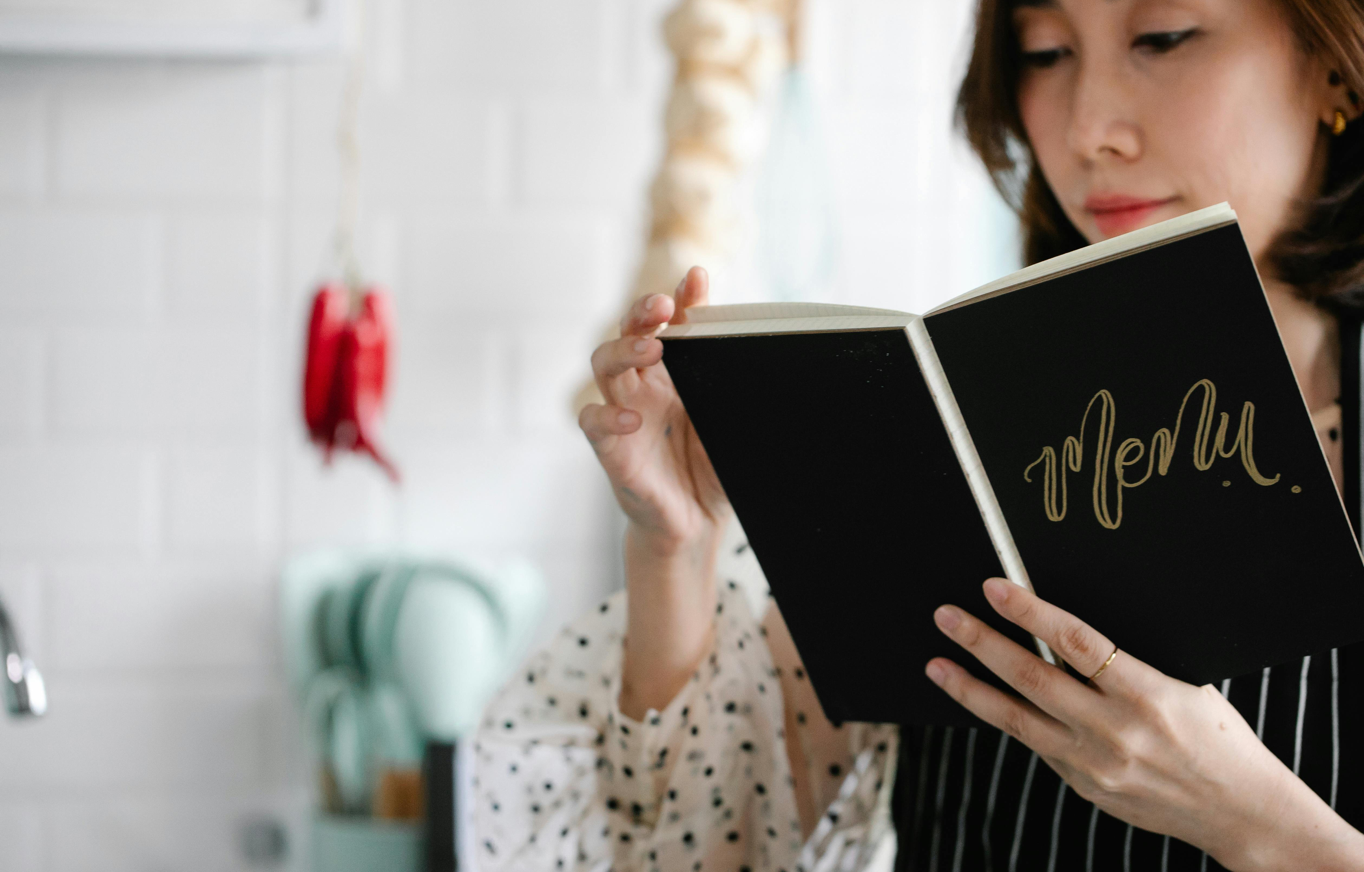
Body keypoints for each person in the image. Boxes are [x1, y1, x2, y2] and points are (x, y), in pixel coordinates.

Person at [474, 0, 1364, 869]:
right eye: (1046, 52)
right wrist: (677, 546)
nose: (1090, 128)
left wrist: (1260, 827)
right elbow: (715, 849)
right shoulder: (943, 419)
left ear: (1333, 56)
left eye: (1164, 37)